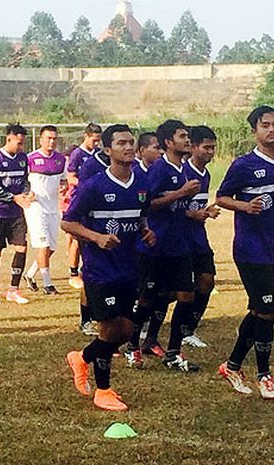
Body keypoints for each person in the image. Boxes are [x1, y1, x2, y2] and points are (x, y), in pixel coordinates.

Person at [216, 106, 274, 399]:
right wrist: (244, 206)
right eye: (265, 125)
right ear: (254, 130)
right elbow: (222, 197)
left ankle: (231, 366)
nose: (272, 130)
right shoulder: (243, 165)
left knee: (259, 310)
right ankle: (264, 376)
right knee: (268, 311)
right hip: (250, 249)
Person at [64, 124, 155, 411]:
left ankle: (81, 358)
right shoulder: (94, 185)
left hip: (129, 267)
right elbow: (68, 222)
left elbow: (140, 214)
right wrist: (97, 237)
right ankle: (103, 390)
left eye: (130, 143)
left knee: (125, 332)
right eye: (120, 143)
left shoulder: (141, 182)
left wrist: (145, 230)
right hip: (99, 270)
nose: (127, 147)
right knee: (108, 331)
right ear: (107, 149)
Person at [126, 120, 201, 371]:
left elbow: (180, 206)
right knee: (147, 299)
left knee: (185, 296)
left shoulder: (185, 170)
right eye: (182, 136)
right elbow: (146, 205)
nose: (187, 140)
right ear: (169, 142)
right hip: (154, 247)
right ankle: (132, 345)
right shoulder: (158, 170)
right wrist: (180, 193)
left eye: (188, 136)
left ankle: (173, 352)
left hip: (179, 246)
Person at [178, 126, 221, 349]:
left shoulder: (206, 174)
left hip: (198, 237)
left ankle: (189, 329)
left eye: (213, 148)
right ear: (193, 147)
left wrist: (206, 212)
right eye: (206, 147)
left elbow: (197, 208)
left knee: (206, 280)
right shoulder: (182, 171)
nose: (210, 152)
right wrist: (192, 214)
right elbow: (170, 205)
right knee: (174, 289)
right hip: (178, 238)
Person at [0, 124, 34, 306]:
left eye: (23, 143)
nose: (21, 147)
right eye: (19, 143)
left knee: (21, 248)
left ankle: (13, 289)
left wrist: (27, 193)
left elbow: (25, 181)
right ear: (9, 139)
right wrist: (13, 197)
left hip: (16, 213)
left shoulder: (22, 158)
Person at [24, 125, 66, 295]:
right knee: (43, 245)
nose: (51, 141)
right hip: (36, 208)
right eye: (48, 138)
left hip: (52, 208)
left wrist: (63, 187)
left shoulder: (60, 159)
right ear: (40, 139)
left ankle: (30, 275)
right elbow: (22, 181)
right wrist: (28, 193)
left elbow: (63, 180)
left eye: (54, 138)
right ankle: (47, 284)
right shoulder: (31, 159)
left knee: (51, 248)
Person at [66, 124, 103, 289]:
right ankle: (73, 273)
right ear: (86, 136)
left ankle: (88, 270)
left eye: (98, 141)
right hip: (80, 200)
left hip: (97, 202)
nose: (96, 144)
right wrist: (88, 186)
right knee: (77, 238)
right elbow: (70, 178)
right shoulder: (77, 154)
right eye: (94, 140)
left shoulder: (99, 154)